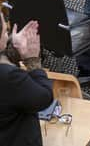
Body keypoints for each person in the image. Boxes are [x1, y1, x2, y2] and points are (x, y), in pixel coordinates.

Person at [0, 15, 53, 146]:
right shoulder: (10, 77)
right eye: (5, 32)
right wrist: (32, 60)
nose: (7, 36)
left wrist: (14, 48)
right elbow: (44, 98)